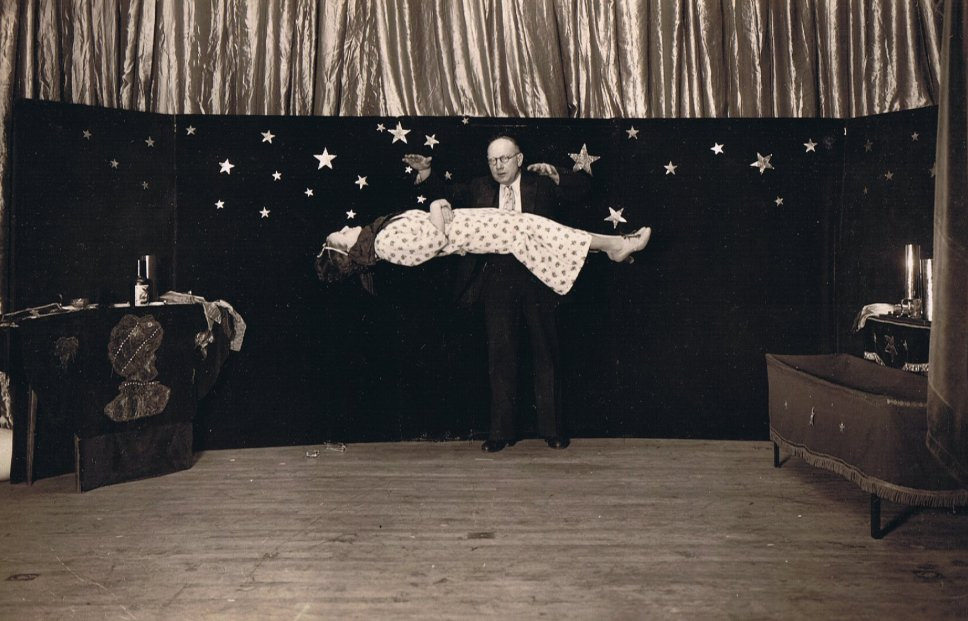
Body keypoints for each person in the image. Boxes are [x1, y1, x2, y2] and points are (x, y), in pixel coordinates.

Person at [316, 203, 651, 297]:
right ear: (348, 250)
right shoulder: (384, 245)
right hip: (480, 232)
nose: (348, 227)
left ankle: (616, 245)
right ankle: (617, 245)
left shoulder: (380, 237)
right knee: (550, 233)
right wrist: (436, 206)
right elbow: (432, 243)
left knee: (554, 235)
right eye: (343, 233)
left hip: (478, 224)